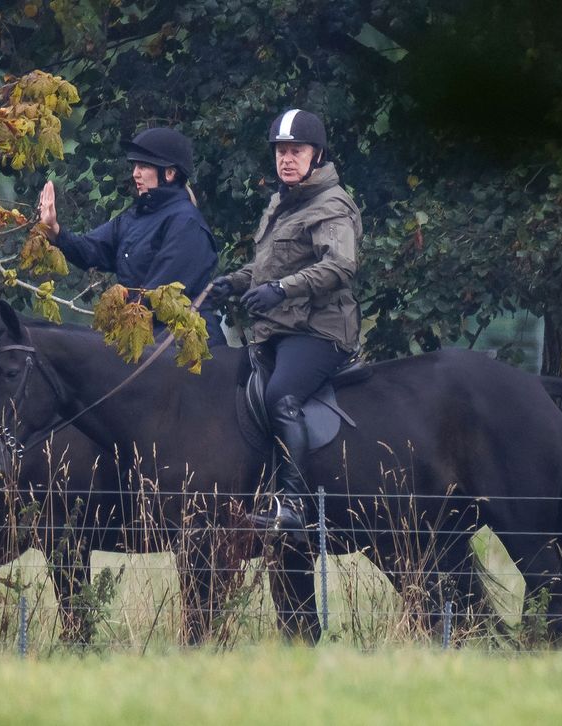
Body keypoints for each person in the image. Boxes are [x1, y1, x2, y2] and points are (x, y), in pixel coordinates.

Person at [208, 109, 362, 536]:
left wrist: (282, 290)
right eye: (281, 151)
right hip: (276, 330)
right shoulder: (281, 201)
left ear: (317, 155)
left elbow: (339, 266)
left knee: (280, 395)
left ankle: (294, 503)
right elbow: (268, 268)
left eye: (296, 150)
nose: (287, 159)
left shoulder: (332, 205)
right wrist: (235, 283)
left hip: (320, 329)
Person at [38, 127, 225, 345]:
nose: (135, 173)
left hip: (183, 343)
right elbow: (91, 250)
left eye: (143, 166)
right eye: (135, 166)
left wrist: (117, 325)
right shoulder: (134, 217)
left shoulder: (187, 223)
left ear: (170, 173)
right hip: (143, 336)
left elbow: (159, 296)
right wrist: (54, 230)